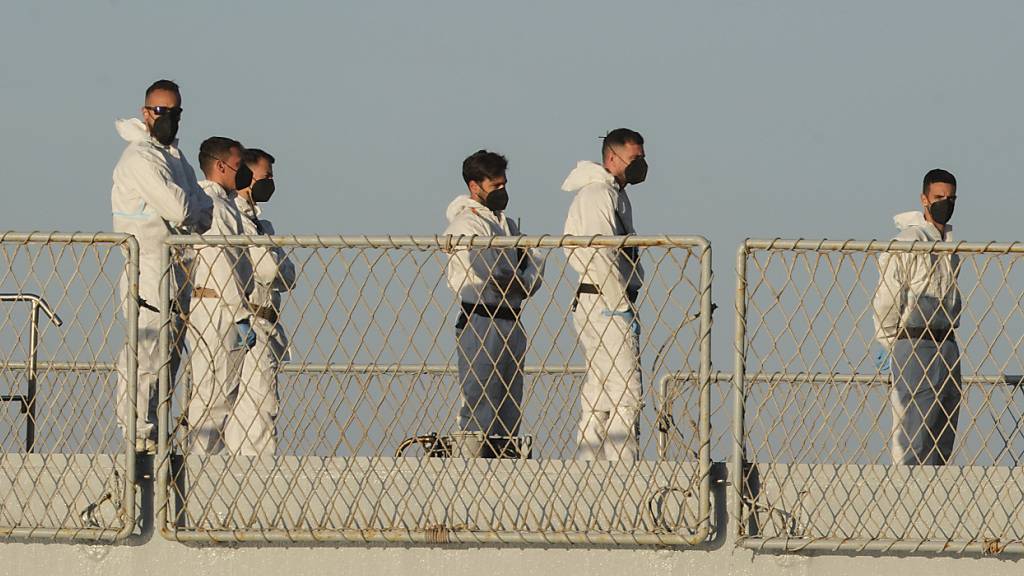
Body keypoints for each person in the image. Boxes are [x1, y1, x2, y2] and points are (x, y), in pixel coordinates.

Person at [111, 79, 212, 453]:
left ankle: (154, 436)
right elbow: (184, 209)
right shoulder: (140, 158)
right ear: (145, 112)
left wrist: (190, 207)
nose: (166, 118)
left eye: (174, 112)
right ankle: (136, 434)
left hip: (179, 271)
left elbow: (205, 212)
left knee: (168, 360)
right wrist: (189, 207)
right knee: (146, 355)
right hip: (148, 271)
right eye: (160, 111)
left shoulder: (175, 158)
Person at [443, 150, 543, 453]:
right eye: (495, 186)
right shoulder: (465, 225)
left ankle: (505, 464)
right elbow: (489, 272)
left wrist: (520, 281)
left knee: (510, 404)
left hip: (512, 319)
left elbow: (536, 259)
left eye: (504, 185)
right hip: (481, 319)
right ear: (475, 186)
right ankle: (473, 470)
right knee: (480, 402)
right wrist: (516, 278)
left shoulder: (508, 225)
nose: (503, 192)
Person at [561, 128, 648, 461]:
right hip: (605, 300)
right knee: (627, 392)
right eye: (634, 159)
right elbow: (601, 252)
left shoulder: (615, 194)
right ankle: (622, 469)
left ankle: (591, 466)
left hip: (600, 300)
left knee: (599, 392)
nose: (640, 165)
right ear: (612, 158)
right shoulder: (598, 194)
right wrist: (620, 305)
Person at [873, 168, 962, 465]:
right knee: (914, 434)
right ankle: (907, 504)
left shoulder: (951, 245)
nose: (945, 203)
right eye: (939, 197)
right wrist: (890, 344)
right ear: (924, 199)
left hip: (947, 341)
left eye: (950, 198)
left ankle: (935, 504)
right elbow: (888, 297)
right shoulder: (908, 241)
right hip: (915, 340)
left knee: (943, 432)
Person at [187, 137, 256, 455]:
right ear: (220, 166)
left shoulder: (220, 204)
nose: (243, 175)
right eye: (239, 167)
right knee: (216, 394)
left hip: (216, 303)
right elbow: (222, 262)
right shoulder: (215, 206)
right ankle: (204, 463)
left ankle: (206, 458)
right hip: (220, 304)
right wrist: (240, 313)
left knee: (214, 392)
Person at [225, 148, 296, 457]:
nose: (271, 183)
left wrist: (274, 262)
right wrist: (275, 261)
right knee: (257, 404)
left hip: (268, 318)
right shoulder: (238, 219)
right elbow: (269, 269)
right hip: (249, 320)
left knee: (260, 404)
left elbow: (288, 275)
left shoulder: (261, 225)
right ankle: (255, 471)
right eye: (266, 176)